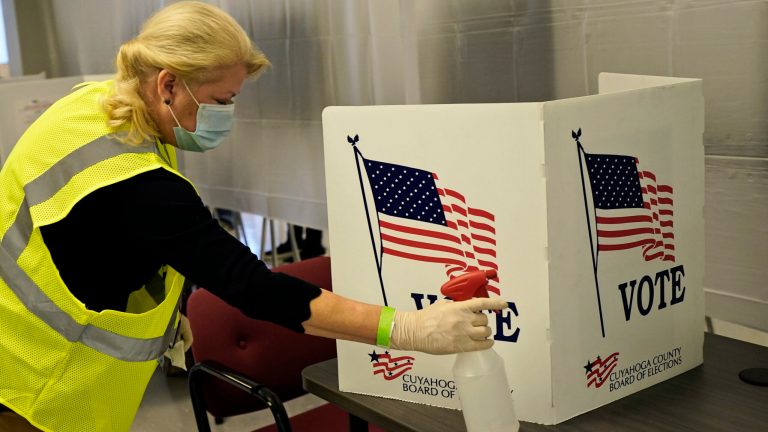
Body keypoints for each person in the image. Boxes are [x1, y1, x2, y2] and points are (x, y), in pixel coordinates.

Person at [0, 2, 507, 431]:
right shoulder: (136, 184)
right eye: (222, 101)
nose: (228, 115)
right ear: (168, 84)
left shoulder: (97, 106)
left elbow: (106, 238)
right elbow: (256, 289)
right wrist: (409, 330)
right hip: (36, 381)